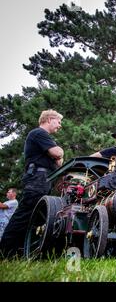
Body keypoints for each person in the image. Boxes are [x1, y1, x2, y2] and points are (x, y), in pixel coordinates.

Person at [0, 109, 64, 257]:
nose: (59, 126)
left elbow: (60, 162)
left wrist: (58, 154)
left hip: (44, 180)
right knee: (25, 214)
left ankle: (20, 251)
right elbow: (58, 154)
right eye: (58, 122)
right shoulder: (38, 133)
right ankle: (5, 251)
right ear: (49, 120)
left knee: (37, 217)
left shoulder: (44, 137)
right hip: (37, 179)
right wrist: (59, 151)